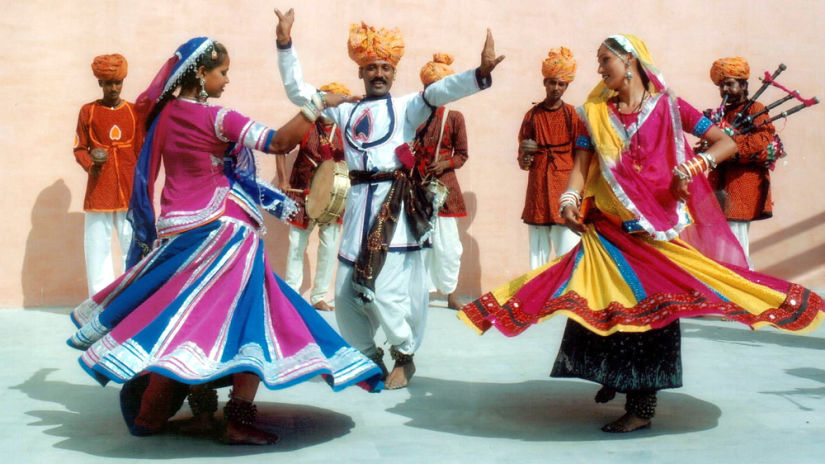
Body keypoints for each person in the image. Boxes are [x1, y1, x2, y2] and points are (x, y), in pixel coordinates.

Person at [459, 34, 824, 433]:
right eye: (598, 62)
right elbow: (581, 166)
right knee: (596, 303)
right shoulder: (593, 113)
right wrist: (567, 200)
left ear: (629, 59)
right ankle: (614, 378)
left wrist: (693, 167)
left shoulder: (668, 107)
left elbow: (726, 142)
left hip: (654, 234)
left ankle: (642, 406)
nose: (599, 70)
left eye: (604, 60)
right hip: (606, 231)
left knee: (651, 317)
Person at [67, 36, 383, 445]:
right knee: (250, 319)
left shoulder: (163, 116)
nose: (227, 80)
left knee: (190, 324)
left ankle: (188, 414)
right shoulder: (218, 118)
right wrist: (320, 102)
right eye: (222, 72)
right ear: (200, 74)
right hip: (228, 234)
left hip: (179, 236)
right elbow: (278, 142)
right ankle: (236, 420)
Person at [275, 8, 504, 389]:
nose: (378, 73)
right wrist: (285, 44)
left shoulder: (406, 108)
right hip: (356, 210)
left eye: (385, 67)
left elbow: (438, 91)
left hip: (394, 212)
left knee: (384, 290)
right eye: (371, 68)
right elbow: (299, 92)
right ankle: (368, 357)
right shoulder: (345, 109)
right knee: (346, 292)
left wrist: (479, 75)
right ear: (360, 73)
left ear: (394, 73)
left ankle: (404, 354)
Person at [279, 82, 350, 312]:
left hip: (332, 197)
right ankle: (291, 293)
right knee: (297, 244)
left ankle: (319, 296)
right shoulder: (306, 124)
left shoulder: (344, 130)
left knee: (329, 246)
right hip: (303, 193)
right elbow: (280, 147)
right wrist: (283, 181)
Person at [74, 54, 140, 296]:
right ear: (100, 84)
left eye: (118, 82)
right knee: (97, 246)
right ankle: (100, 300)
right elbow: (79, 148)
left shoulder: (134, 112)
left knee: (131, 244)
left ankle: (128, 297)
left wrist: (142, 187)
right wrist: (91, 164)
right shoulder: (88, 112)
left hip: (128, 187)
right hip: (99, 187)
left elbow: (141, 151)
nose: (114, 88)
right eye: (109, 83)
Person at [706, 57, 777, 268]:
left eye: (729, 83)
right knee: (718, 237)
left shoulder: (756, 108)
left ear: (743, 84)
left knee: (736, 237)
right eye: (721, 85)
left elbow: (762, 141)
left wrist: (727, 144)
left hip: (742, 183)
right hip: (719, 182)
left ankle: (743, 284)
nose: (724, 89)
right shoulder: (721, 114)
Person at [517, 47, 582, 269]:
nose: (556, 88)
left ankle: (566, 299)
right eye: (552, 82)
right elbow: (523, 158)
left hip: (564, 186)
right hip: (537, 188)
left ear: (566, 86)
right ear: (545, 82)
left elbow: (582, 155)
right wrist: (525, 154)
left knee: (568, 250)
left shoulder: (573, 115)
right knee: (537, 252)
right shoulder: (532, 115)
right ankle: (537, 299)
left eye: (561, 84)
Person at [415, 53, 470, 310]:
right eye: (429, 88)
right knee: (420, 244)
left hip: (445, 189)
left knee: (448, 246)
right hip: (417, 187)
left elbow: (462, 155)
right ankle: (421, 293)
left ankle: (450, 295)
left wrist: (445, 164)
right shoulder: (415, 115)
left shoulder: (455, 118)